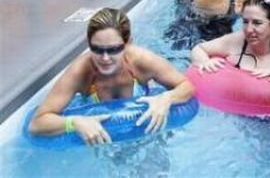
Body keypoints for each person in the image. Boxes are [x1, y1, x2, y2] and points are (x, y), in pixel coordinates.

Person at [28, 8, 194, 145]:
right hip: (103, 142)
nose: (105, 58)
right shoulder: (81, 72)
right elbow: (37, 123)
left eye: (113, 49)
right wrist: (74, 122)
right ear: (89, 44)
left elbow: (186, 86)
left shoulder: (142, 61)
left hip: (144, 135)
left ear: (128, 43)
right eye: (97, 49)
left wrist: (167, 98)